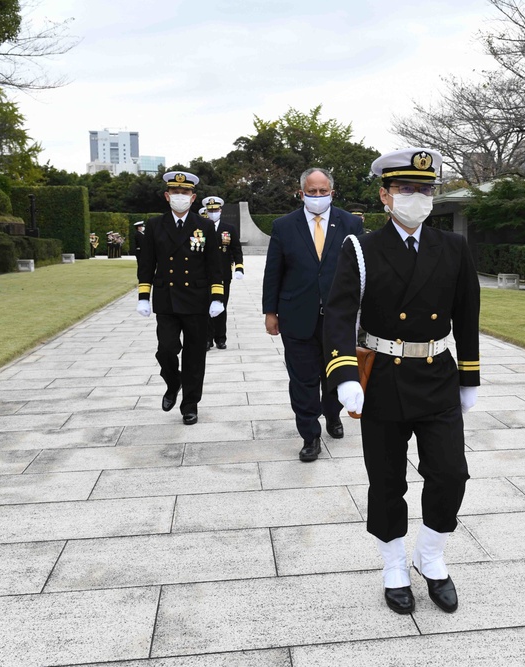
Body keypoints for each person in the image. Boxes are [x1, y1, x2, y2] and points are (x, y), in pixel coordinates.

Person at [322, 148, 481, 616]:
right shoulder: (361, 249)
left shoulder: (452, 248)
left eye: (426, 189)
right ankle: (393, 565)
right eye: (407, 189)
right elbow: (339, 314)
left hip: (437, 375)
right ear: (385, 195)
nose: (417, 197)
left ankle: (430, 557)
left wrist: (469, 376)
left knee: (450, 474)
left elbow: (467, 315)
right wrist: (344, 374)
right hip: (384, 381)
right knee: (387, 480)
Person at [262, 167, 364, 462]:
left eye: (322, 191)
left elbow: (361, 271)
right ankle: (310, 435)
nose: (317, 196)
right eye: (311, 191)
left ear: (332, 192)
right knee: (303, 380)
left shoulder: (350, 223)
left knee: (335, 372)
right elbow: (273, 272)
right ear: (301, 192)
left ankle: (333, 415)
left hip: (339, 318)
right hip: (297, 315)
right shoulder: (284, 226)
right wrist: (271, 312)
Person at [136, 171, 225, 425]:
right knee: (166, 349)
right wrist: (144, 296)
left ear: (193, 197)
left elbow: (214, 266)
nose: (180, 196)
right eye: (175, 192)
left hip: (196, 299)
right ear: (167, 196)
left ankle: (190, 404)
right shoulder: (154, 225)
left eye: (184, 192)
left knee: (195, 356)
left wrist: (217, 297)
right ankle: (173, 382)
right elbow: (146, 264)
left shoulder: (205, 226)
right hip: (167, 298)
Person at [202, 196, 244, 350]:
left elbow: (236, 250)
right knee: (206, 306)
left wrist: (239, 267)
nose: (213, 212)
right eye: (210, 210)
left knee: (221, 305)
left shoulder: (229, 228)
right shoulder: (201, 227)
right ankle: (207, 339)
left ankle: (220, 338)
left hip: (223, 274)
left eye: (215, 210)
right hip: (205, 274)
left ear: (220, 210)